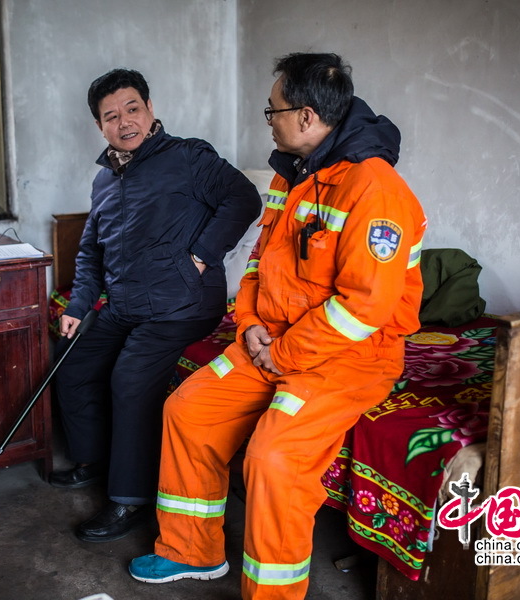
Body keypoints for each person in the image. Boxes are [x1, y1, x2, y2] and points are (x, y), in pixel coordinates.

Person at [128, 52, 428, 600]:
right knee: (187, 410)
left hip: (348, 357)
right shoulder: (292, 174)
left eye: (274, 111)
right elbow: (260, 263)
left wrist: (283, 353)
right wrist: (248, 326)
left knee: (273, 458)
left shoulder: (374, 190)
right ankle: (191, 551)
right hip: (273, 340)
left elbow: (364, 309)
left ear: (306, 117)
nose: (269, 120)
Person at [51, 68, 262, 543]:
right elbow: (90, 252)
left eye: (132, 109)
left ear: (149, 109)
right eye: (111, 116)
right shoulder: (104, 181)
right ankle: (93, 460)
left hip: (181, 303)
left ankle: (129, 498)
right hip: (126, 303)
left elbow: (244, 198)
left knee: (130, 379)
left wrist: (201, 257)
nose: (124, 121)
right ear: (100, 126)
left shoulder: (187, 156)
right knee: (74, 363)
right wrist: (78, 305)